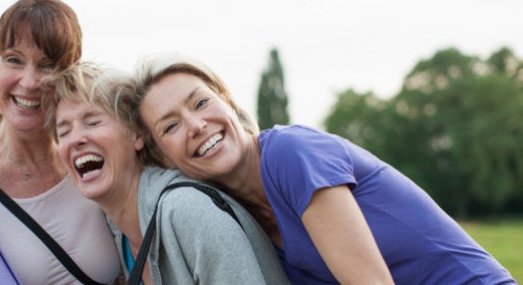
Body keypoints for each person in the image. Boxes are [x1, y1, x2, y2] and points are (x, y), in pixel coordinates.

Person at [130, 52, 516, 284]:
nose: (196, 126)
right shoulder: (235, 215)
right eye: (171, 125)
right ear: (163, 156)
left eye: (200, 103)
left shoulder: (291, 153)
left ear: (228, 102)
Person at [40, 62, 290, 284]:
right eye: (63, 132)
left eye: (92, 122)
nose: (76, 139)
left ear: (137, 134)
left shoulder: (188, 212)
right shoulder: (120, 234)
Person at [0, 0, 121, 284]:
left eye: (47, 65)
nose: (30, 82)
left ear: (71, 73)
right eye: (14, 60)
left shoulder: (94, 159)